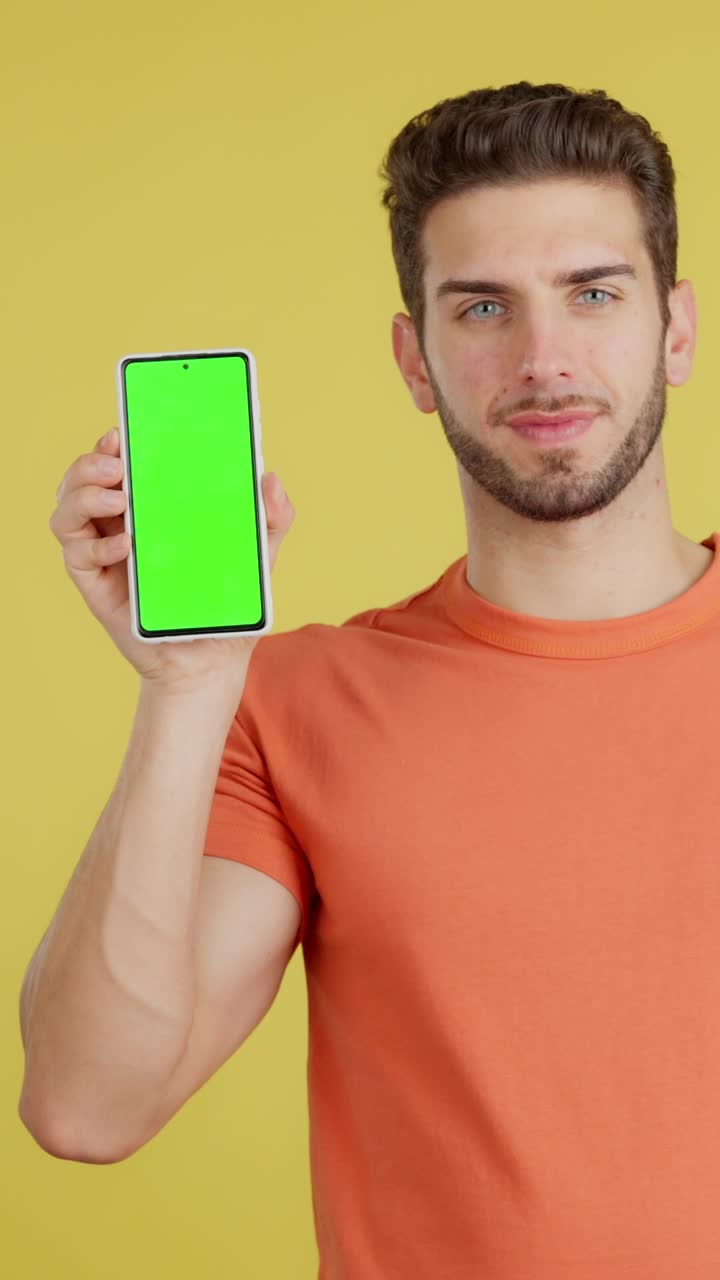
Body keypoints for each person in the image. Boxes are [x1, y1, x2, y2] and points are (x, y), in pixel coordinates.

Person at [19, 80, 720, 1277]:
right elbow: (88, 1104)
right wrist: (186, 687)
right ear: (414, 357)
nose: (543, 358)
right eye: (483, 305)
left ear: (676, 329)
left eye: (593, 293)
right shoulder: (295, 707)